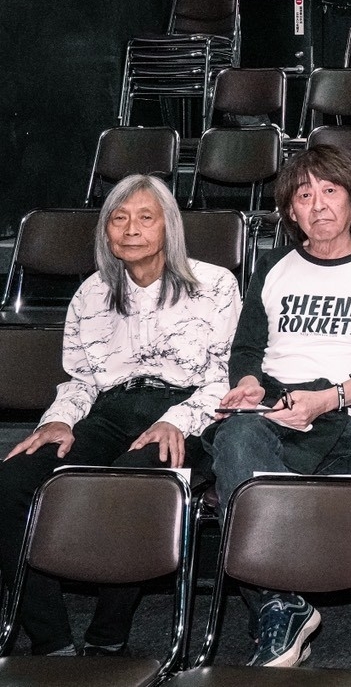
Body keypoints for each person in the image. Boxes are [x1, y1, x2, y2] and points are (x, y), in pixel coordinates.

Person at [0, 175, 239, 657]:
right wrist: (59, 420)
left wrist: (177, 420)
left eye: (146, 217)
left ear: (169, 227)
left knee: (133, 479)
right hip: (109, 411)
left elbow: (224, 380)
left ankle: (108, 637)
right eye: (119, 218)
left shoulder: (215, 284)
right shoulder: (91, 293)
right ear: (105, 230)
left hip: (187, 412)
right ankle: (51, 641)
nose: (131, 229)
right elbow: (81, 379)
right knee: (11, 480)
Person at [208, 145, 351, 667]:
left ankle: (278, 605)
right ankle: (282, 603)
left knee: (249, 475)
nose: (318, 205)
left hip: (346, 408)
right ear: (291, 212)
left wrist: (327, 399)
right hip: (273, 404)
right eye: (303, 195)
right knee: (236, 437)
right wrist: (248, 384)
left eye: (330, 191)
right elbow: (247, 348)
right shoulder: (273, 266)